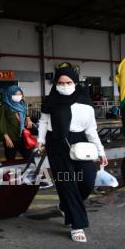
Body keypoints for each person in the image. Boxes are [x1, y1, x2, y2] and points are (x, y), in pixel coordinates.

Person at [37, 63, 108, 243]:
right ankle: (77, 225)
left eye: (69, 82)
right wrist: (40, 140)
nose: (65, 86)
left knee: (87, 181)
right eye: (61, 83)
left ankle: (65, 206)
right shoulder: (51, 101)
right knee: (67, 183)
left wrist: (101, 152)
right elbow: (44, 122)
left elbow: (91, 130)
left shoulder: (85, 102)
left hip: (81, 143)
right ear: (55, 83)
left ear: (75, 82)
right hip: (57, 144)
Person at [0, 85, 33, 161]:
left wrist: (28, 118)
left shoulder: (21, 105)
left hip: (22, 136)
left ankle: (30, 172)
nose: (18, 96)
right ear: (9, 94)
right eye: (16, 94)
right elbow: (1, 123)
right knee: (10, 159)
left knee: (29, 158)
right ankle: (10, 172)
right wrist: (6, 137)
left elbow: (25, 112)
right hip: (10, 138)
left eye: (20, 94)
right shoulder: (4, 107)